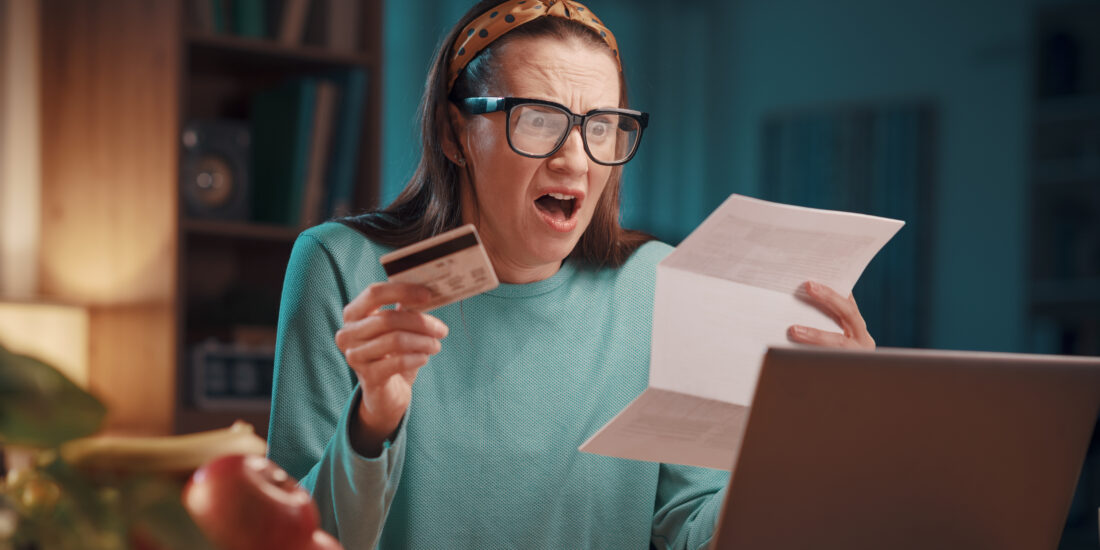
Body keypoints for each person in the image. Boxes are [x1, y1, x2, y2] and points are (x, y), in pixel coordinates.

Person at [267, 1, 876, 548]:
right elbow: (290, 539)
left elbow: (694, 533)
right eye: (538, 118)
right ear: (456, 134)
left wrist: (811, 433)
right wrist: (373, 422)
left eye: (602, 125)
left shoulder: (659, 284)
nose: (575, 158)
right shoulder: (340, 267)